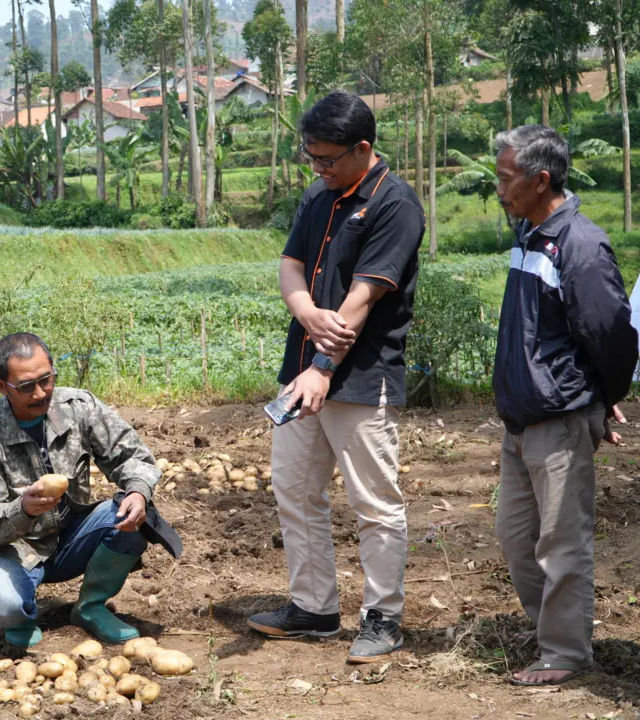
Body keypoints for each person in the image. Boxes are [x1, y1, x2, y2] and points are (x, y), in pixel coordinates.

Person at [246, 90, 425, 664]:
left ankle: (383, 617)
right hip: (302, 372)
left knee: (374, 501)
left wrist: (323, 369)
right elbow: (291, 264)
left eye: (327, 159)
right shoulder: (318, 196)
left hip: (359, 378)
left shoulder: (396, 205)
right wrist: (303, 312)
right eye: (311, 157)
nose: (318, 168)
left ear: (362, 149)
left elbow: (362, 300)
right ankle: (315, 608)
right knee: (295, 489)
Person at [491, 125, 637, 686]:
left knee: (560, 540)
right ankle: (551, 632)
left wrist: (603, 400)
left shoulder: (581, 245)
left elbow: (614, 337)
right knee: (515, 534)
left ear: (540, 179)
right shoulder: (528, 234)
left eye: (507, 178)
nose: (499, 187)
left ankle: (566, 653)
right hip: (521, 419)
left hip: (559, 418)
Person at [0, 332, 179, 648]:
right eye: (25, 387)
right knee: (3, 604)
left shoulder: (76, 407)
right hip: (14, 551)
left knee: (133, 515)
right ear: (1, 387)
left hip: (72, 537)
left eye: (46, 380)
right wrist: (21, 510)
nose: (39, 393)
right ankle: (21, 617)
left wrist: (137, 490)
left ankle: (90, 607)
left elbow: (130, 455)